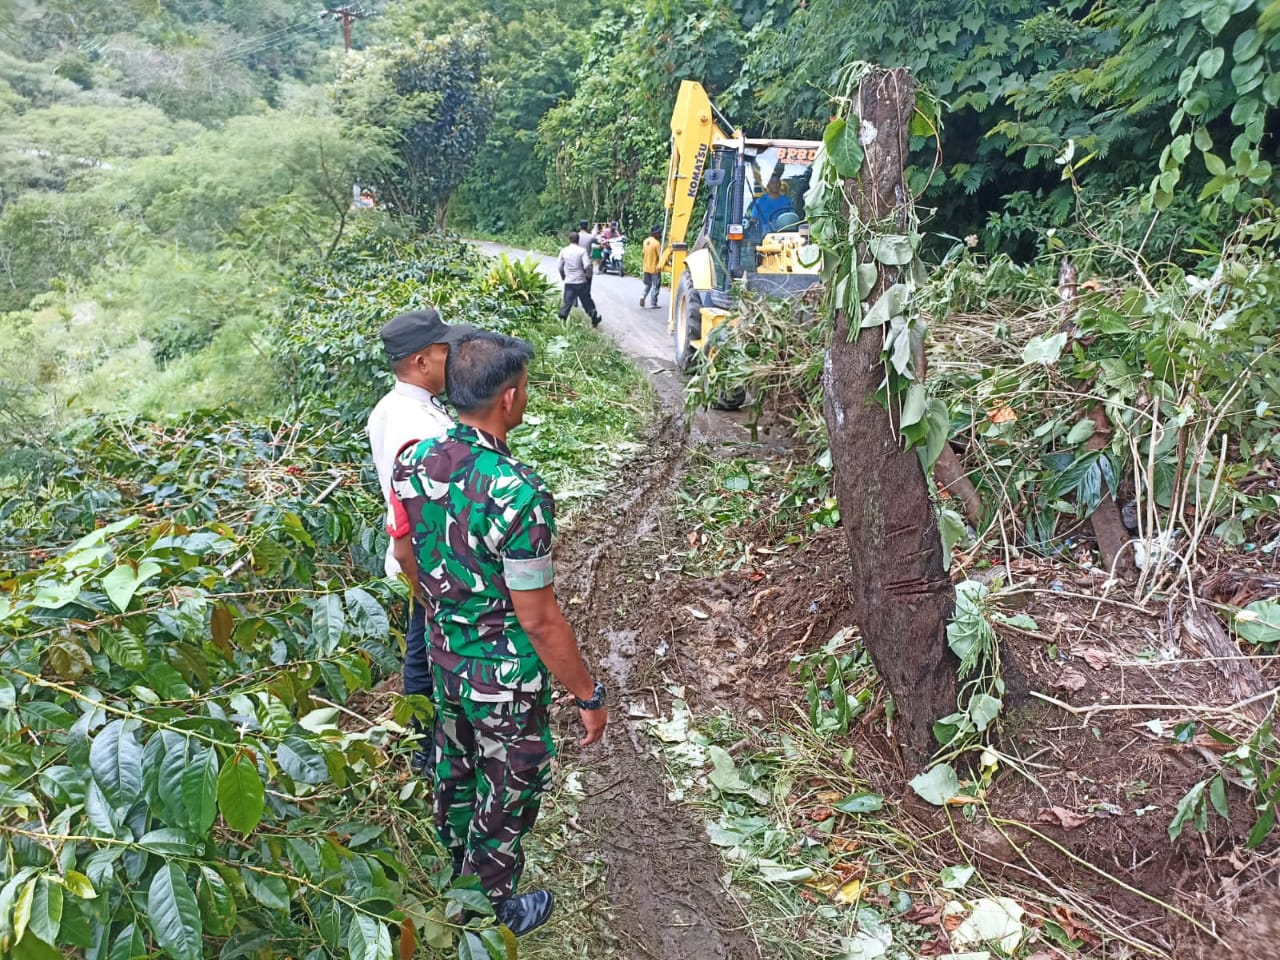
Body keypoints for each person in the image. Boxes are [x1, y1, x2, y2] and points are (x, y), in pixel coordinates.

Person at [387, 330, 608, 936]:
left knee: (451, 768)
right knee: (509, 782)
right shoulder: (519, 492)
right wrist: (587, 694)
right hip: (502, 676)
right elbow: (537, 618)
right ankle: (491, 906)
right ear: (509, 398)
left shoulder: (413, 460)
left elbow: (405, 554)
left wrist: (440, 614)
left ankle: (455, 874)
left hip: (442, 656)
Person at [366, 309, 476, 772]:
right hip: (429, 563)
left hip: (422, 561)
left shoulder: (398, 408)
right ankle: (428, 758)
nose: (450, 357)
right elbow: (411, 509)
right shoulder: (419, 426)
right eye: (442, 350)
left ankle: (428, 752)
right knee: (427, 655)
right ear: (420, 361)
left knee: (422, 649)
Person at [557, 231, 602, 327]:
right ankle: (593, 315)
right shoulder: (582, 251)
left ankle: (562, 320)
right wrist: (588, 275)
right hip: (581, 281)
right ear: (578, 240)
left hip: (569, 282)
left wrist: (563, 276)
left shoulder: (564, 251)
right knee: (586, 301)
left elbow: (560, 266)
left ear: (569, 240)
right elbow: (587, 265)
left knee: (567, 302)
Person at [640, 225, 662, 309]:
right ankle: (653, 303)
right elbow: (660, 256)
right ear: (655, 233)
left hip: (646, 268)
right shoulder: (656, 243)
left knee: (647, 285)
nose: (660, 234)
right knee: (655, 286)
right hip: (654, 269)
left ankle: (643, 296)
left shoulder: (645, 241)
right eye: (659, 232)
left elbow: (643, 254)